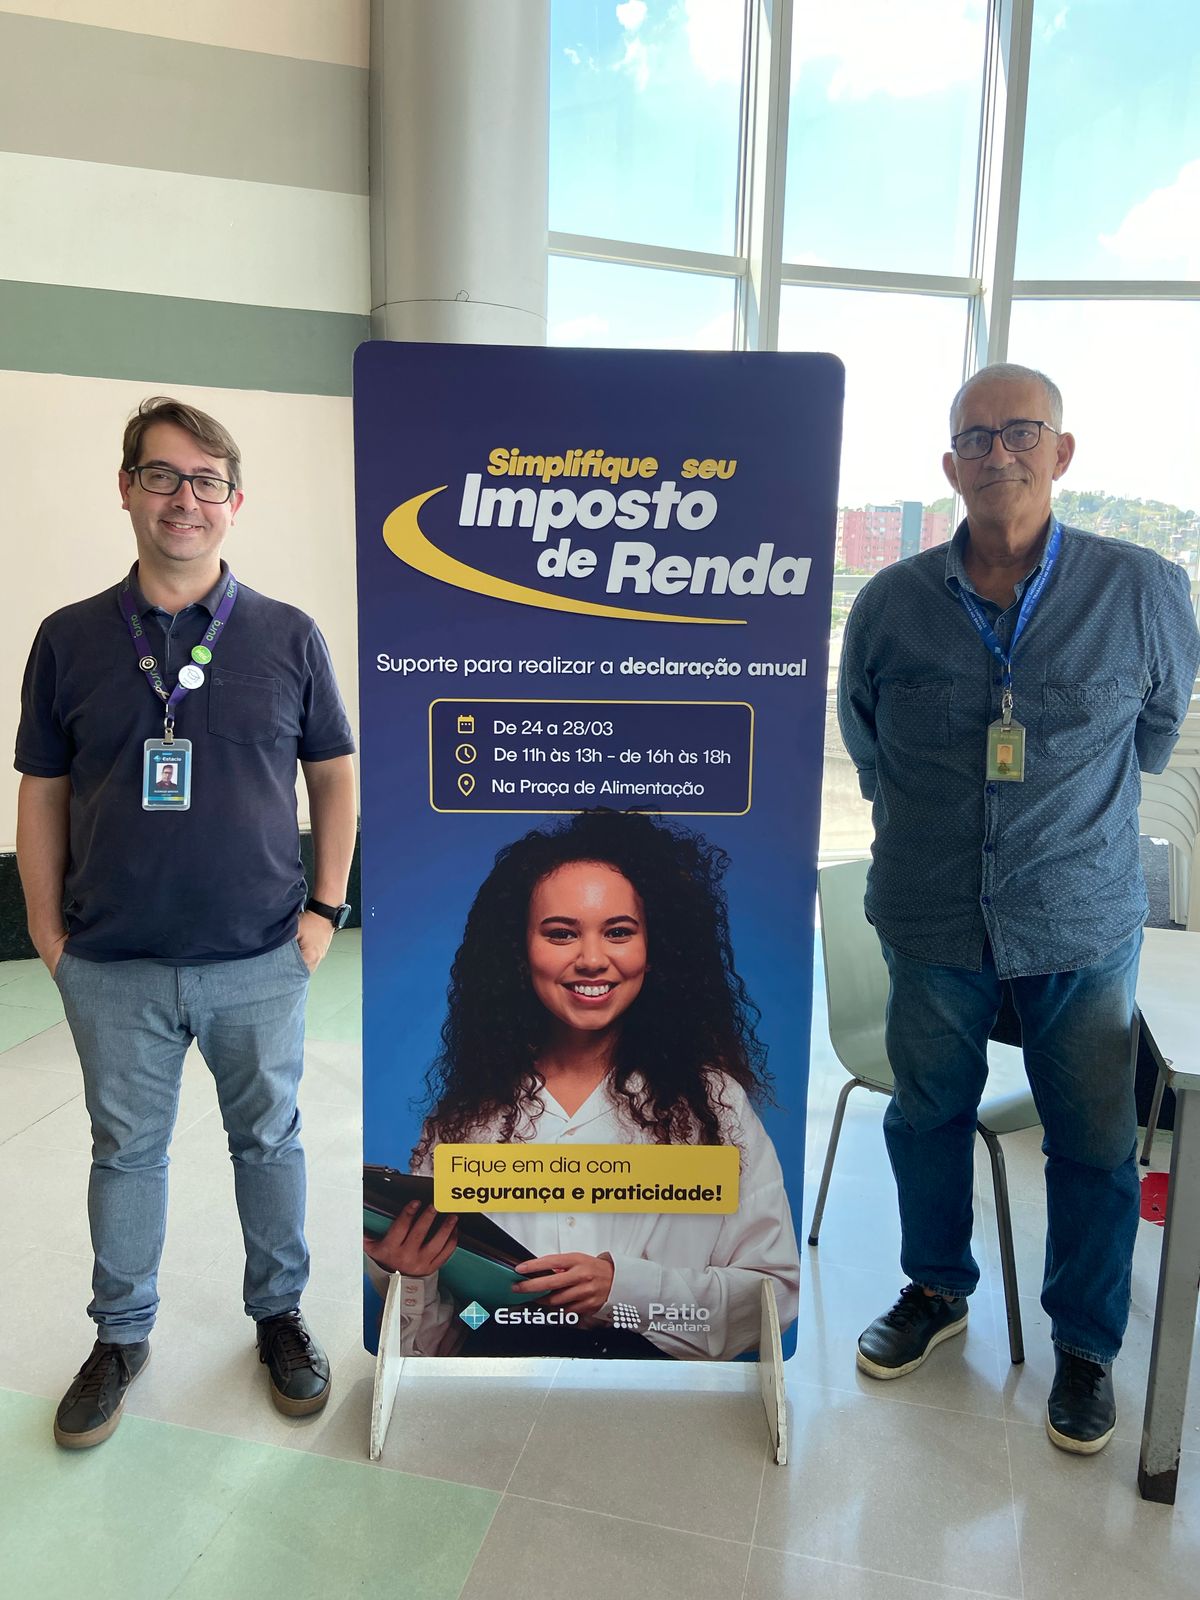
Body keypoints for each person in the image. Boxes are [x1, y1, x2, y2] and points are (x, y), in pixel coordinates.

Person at [837, 362, 1200, 1453]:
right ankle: (935, 1290)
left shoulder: (1142, 589)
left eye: (1022, 432)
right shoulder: (891, 603)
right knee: (926, 1116)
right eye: (977, 438)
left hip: (1078, 919)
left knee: (1092, 1141)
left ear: (1063, 451)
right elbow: (867, 746)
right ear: (950, 466)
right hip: (932, 917)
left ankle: (1084, 1345)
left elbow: (1154, 737)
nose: (999, 453)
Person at [15, 396, 358, 1448]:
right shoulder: (69, 638)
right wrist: (48, 935)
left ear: (234, 502)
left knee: (269, 1140)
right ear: (126, 488)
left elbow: (335, 776)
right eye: (162, 475)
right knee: (126, 1152)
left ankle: (279, 1316)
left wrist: (323, 912)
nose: (185, 499)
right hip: (111, 960)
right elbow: (41, 793)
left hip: (258, 954)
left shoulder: (288, 636)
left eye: (208, 481)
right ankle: (120, 1336)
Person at [363, 809, 800, 1360]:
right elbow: (446, 1335)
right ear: (519, 951)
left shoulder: (714, 1105)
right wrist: (411, 1277)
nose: (592, 960)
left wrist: (624, 1291)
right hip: (501, 1389)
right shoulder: (466, 1120)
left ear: (656, 948)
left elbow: (773, 1296)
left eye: (619, 932)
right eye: (561, 934)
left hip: (657, 1393)